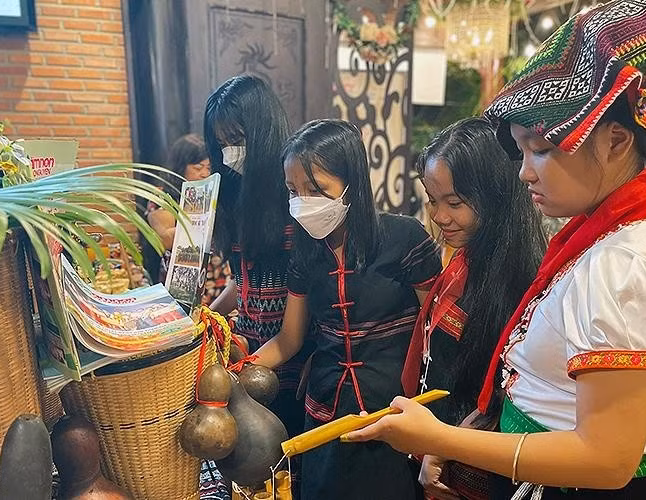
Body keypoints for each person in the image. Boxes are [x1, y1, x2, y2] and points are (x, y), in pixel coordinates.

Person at [345, 1, 646, 499]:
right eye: (521, 150)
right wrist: (459, 440)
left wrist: (441, 436)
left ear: (615, 141)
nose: (525, 171)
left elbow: (606, 458)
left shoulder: (631, 263)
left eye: (541, 148)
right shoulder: (604, 238)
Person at [253, 119, 442, 500]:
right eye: (294, 191)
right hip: (323, 416)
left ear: (352, 183)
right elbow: (289, 340)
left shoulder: (404, 239)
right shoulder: (305, 252)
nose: (303, 202)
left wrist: (442, 428)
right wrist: (238, 366)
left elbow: (435, 335)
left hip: (394, 415)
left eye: (316, 189)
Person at [403, 117, 546, 500]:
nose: (439, 216)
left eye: (454, 203)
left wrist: (445, 446)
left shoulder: (520, 278)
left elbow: (503, 393)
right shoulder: (465, 258)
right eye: (433, 200)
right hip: (439, 444)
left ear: (496, 196)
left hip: (473, 463)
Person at [203, 75, 310, 487]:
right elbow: (243, 283)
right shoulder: (233, 196)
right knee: (245, 475)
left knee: (282, 473)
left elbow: (310, 296)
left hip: (288, 363)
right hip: (248, 355)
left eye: (238, 139)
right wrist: (206, 317)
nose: (230, 153)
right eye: (222, 143)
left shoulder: (295, 197)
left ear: (263, 132)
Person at [145, 133, 232, 304]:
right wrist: (204, 222)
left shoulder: (217, 193)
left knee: (219, 324)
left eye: (209, 168)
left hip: (218, 277)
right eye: (198, 167)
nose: (204, 174)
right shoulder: (164, 195)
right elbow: (165, 239)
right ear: (180, 166)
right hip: (182, 280)